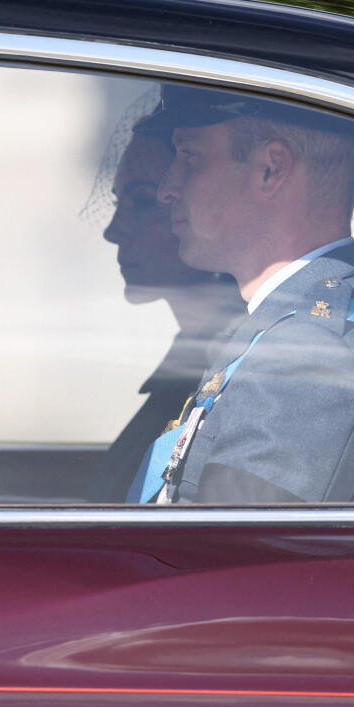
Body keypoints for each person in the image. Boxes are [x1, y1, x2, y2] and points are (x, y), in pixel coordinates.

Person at [127, 85, 354, 504]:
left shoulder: (309, 356)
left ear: (271, 169)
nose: (167, 189)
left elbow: (219, 563)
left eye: (189, 156)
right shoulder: (288, 328)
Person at [87, 125, 244, 502]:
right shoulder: (194, 359)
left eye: (142, 203)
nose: (112, 231)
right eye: (117, 205)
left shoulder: (237, 369)